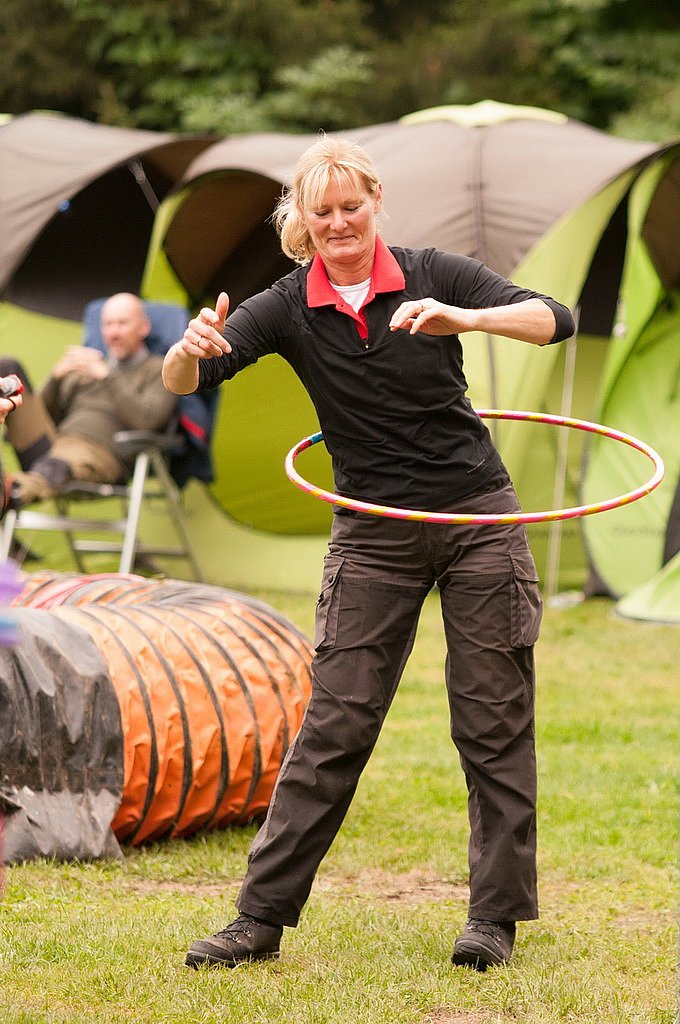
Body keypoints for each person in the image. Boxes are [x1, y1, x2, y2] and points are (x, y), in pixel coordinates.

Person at [163, 135, 575, 973]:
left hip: (476, 518)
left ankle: (493, 919)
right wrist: (185, 349)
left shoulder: (433, 274)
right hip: (374, 533)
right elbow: (186, 382)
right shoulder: (286, 304)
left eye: (353, 206)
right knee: (334, 725)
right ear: (304, 221)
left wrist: (466, 318)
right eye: (324, 212)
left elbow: (555, 319)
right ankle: (258, 920)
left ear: (375, 203)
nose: (341, 222)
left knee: (492, 721)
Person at [0, 293, 177, 508]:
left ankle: (11, 493)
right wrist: (56, 378)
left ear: (144, 327)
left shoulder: (159, 369)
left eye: (122, 323)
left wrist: (108, 376)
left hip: (101, 456)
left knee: (55, 465)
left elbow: (147, 420)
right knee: (7, 368)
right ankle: (13, 490)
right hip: (53, 447)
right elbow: (38, 416)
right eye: (108, 324)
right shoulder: (86, 369)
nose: (114, 332)